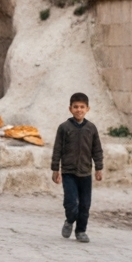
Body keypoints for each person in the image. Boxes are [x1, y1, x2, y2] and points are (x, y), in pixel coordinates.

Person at [50, 92, 104, 242]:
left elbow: (97, 150)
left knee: (85, 204)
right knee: (71, 202)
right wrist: (55, 169)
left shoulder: (91, 128)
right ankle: (69, 220)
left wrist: (99, 168)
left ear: (88, 108)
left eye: (82, 107)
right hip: (68, 172)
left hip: (85, 173)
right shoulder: (64, 128)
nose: (79, 110)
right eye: (75, 107)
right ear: (70, 109)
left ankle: (81, 231)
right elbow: (57, 150)